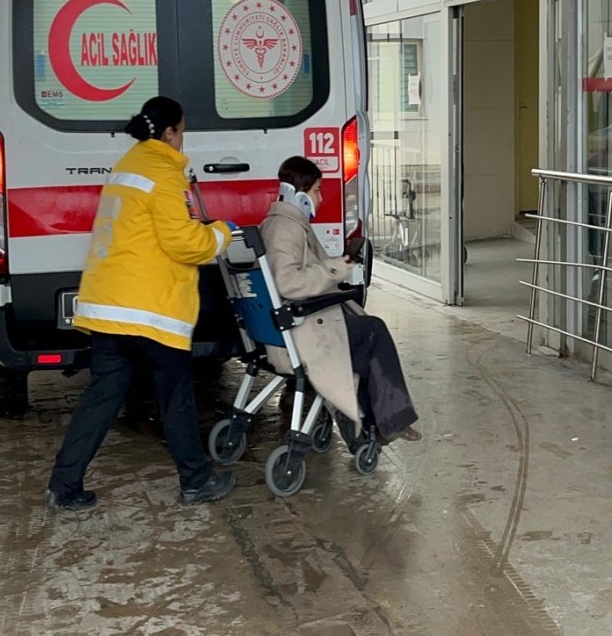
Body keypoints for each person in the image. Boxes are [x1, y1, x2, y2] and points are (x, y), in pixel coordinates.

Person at [46, 96, 236, 511]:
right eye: (182, 131)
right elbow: (183, 243)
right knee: (176, 397)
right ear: (169, 133)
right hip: (147, 308)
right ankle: (196, 481)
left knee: (101, 399)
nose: (183, 140)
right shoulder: (163, 173)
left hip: (108, 307)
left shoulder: (127, 166)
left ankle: (64, 485)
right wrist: (221, 233)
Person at [260, 156, 421, 445]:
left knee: (363, 335)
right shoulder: (287, 229)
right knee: (373, 332)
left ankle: (370, 422)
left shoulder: (281, 223)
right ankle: (384, 422)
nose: (321, 198)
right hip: (300, 330)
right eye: (317, 191)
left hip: (298, 322)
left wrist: (341, 264)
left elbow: (313, 269)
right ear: (299, 194)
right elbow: (288, 282)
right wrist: (334, 269)